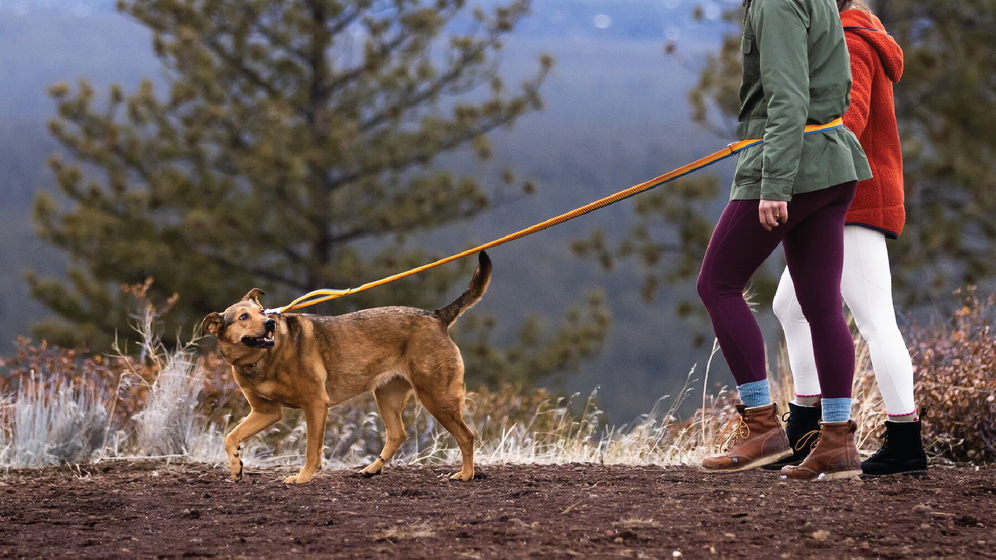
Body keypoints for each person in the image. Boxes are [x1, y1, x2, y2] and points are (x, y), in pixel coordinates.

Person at [697, 0, 872, 480]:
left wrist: (774, 184)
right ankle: (836, 442)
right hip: (832, 162)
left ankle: (761, 428)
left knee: (717, 285)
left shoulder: (776, 2)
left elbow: (789, 99)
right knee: (822, 307)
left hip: (792, 169)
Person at [769, 0, 927, 476]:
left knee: (875, 320)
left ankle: (904, 443)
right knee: (790, 306)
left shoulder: (852, 43)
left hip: (857, 199)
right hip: (841, 198)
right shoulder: (842, 35)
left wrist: (785, 147)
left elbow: (847, 123)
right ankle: (806, 427)